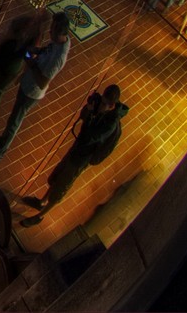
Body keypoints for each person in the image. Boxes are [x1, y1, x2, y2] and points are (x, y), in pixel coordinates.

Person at [19, 85, 128, 227]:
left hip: (82, 158)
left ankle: (40, 216)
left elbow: (89, 137)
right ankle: (42, 202)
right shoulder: (100, 107)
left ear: (112, 105)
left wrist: (91, 115)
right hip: (76, 149)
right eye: (101, 101)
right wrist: (89, 109)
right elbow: (83, 118)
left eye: (104, 104)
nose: (101, 105)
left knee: (61, 187)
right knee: (57, 176)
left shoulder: (110, 124)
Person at [0, 11, 71, 161]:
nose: (50, 31)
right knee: (13, 119)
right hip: (27, 84)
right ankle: (1, 141)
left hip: (31, 92)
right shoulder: (60, 42)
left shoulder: (58, 58)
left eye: (52, 29)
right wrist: (35, 52)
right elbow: (46, 50)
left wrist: (31, 63)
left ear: (59, 31)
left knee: (14, 122)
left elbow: (43, 82)